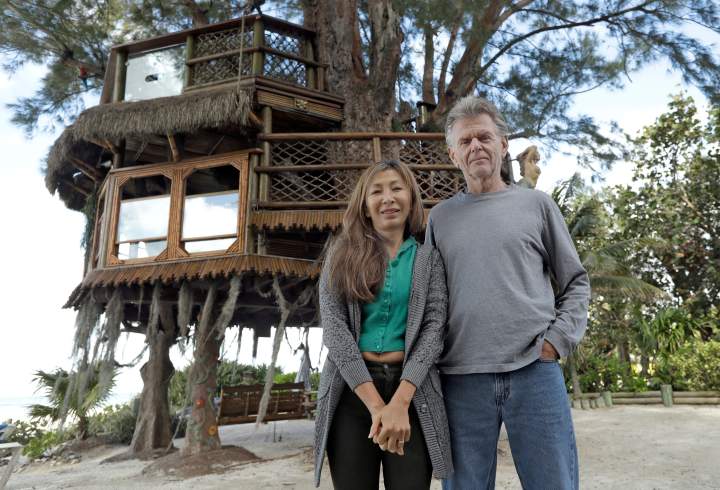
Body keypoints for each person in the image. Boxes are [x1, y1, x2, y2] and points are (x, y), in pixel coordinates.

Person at [426, 96, 590, 490]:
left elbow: (575, 281)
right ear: (453, 154)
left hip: (535, 371)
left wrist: (555, 342)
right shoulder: (440, 218)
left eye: (484, 137)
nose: (476, 147)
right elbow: (430, 301)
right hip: (461, 380)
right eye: (465, 141)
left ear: (502, 145)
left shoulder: (537, 205)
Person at [314, 160, 452, 489]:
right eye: (376, 191)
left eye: (396, 188)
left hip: (412, 393)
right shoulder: (340, 254)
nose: (388, 198)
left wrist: (399, 404)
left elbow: (434, 330)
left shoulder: (429, 259)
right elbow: (335, 330)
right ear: (364, 205)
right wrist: (378, 408)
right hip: (350, 393)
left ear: (411, 199)